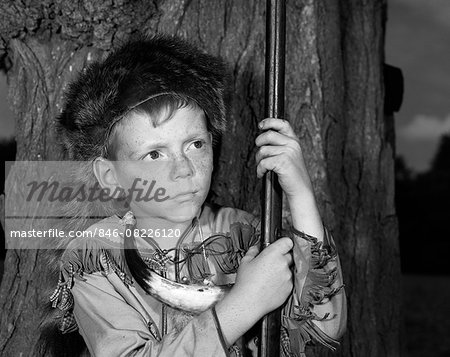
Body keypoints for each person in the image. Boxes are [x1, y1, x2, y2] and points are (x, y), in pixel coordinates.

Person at [37, 34, 346, 357]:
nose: (183, 169)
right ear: (110, 176)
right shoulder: (95, 258)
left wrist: (300, 196)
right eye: (155, 154)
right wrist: (245, 303)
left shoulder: (244, 235)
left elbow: (320, 334)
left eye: (195, 144)